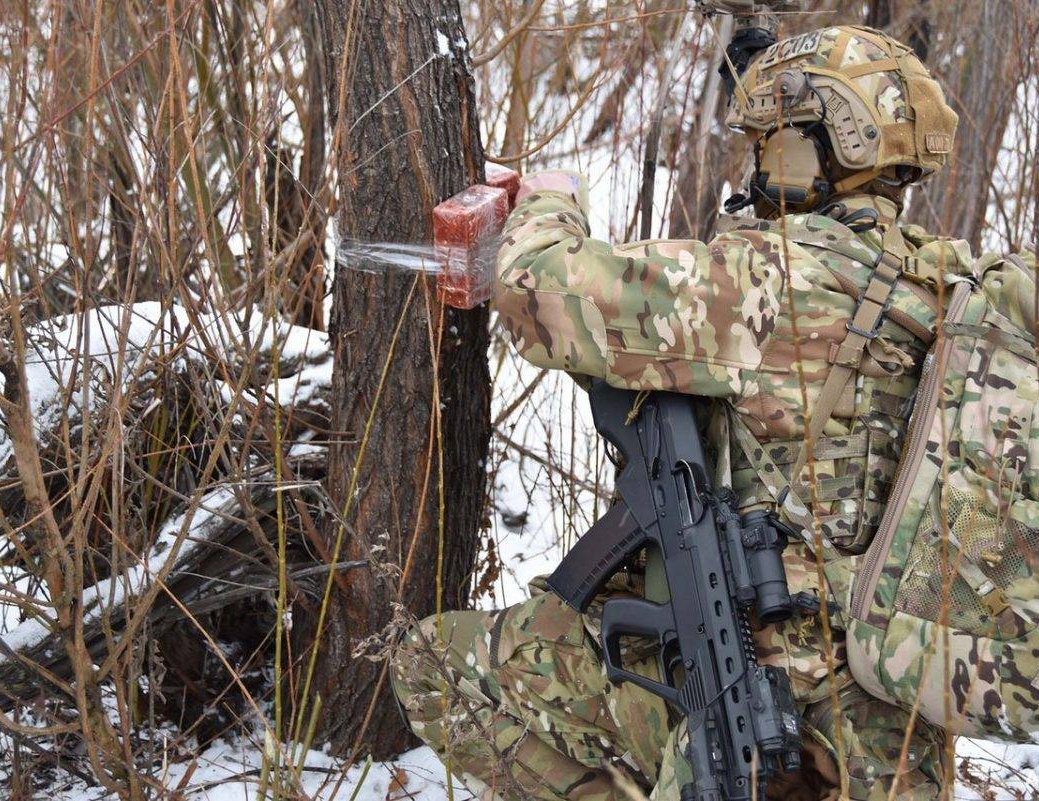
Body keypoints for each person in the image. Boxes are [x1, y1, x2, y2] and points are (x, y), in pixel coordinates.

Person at [392, 24, 965, 801]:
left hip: (755, 705)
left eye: (774, 144)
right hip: (892, 736)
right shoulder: (946, 291)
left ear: (826, 148)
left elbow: (536, 288)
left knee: (430, 661)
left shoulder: (773, 285)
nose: (761, 165)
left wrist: (552, 202)